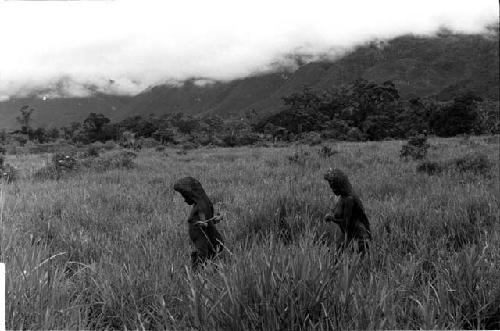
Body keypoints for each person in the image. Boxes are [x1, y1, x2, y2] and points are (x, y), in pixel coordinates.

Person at [173, 177, 224, 269]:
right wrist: (200, 222)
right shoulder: (199, 206)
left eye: (185, 196)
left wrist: (216, 218)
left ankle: (209, 263)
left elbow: (208, 219)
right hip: (197, 231)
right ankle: (197, 268)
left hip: (207, 227)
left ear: (192, 194)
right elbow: (191, 219)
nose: (185, 200)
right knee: (203, 250)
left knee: (218, 244)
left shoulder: (206, 203)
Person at [323, 169, 371, 253]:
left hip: (358, 237)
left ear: (340, 185)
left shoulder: (349, 199)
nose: (333, 190)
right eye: (331, 187)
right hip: (348, 235)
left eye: (334, 187)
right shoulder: (343, 197)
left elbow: (346, 223)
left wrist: (332, 218)